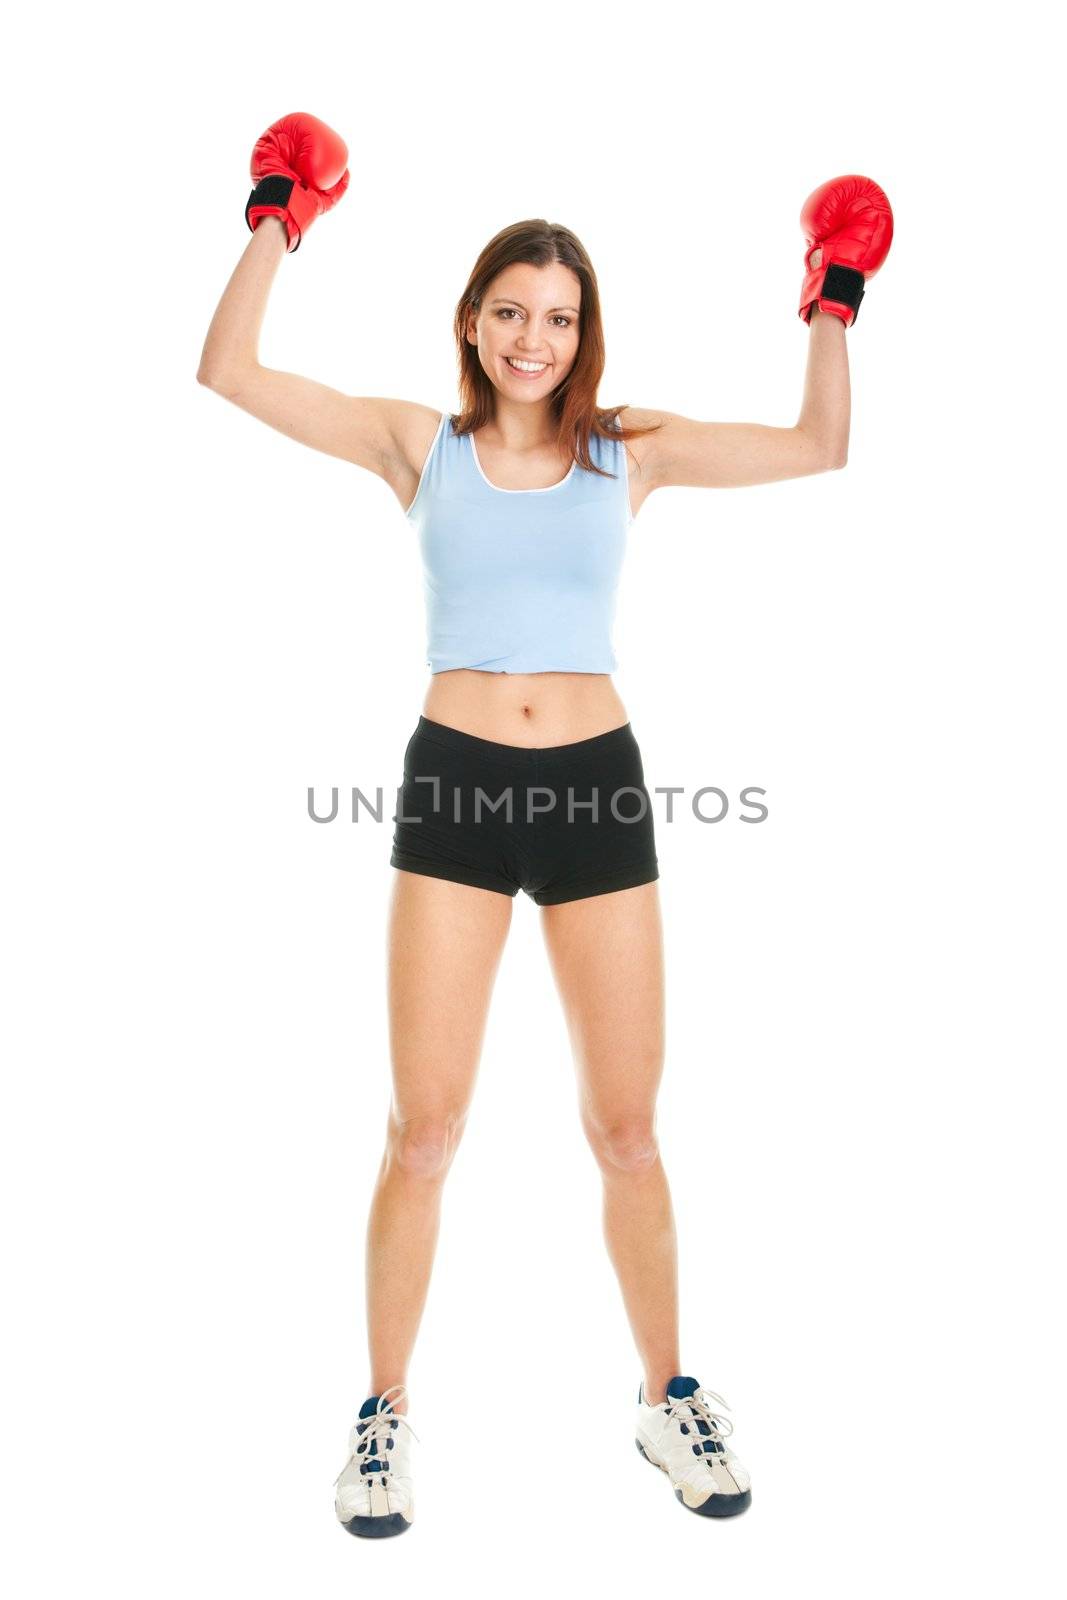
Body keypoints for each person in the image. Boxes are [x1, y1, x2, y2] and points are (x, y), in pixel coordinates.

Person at [196, 113, 894, 1538]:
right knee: (425, 1130)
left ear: (587, 337)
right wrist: (279, 211)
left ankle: (669, 1396)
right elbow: (230, 371)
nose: (534, 339)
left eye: (560, 319)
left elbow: (824, 445)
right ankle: (382, 1417)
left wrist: (834, 297)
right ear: (473, 320)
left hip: (595, 792)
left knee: (628, 1130)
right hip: (454, 784)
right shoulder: (419, 443)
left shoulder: (626, 451)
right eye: (512, 312)